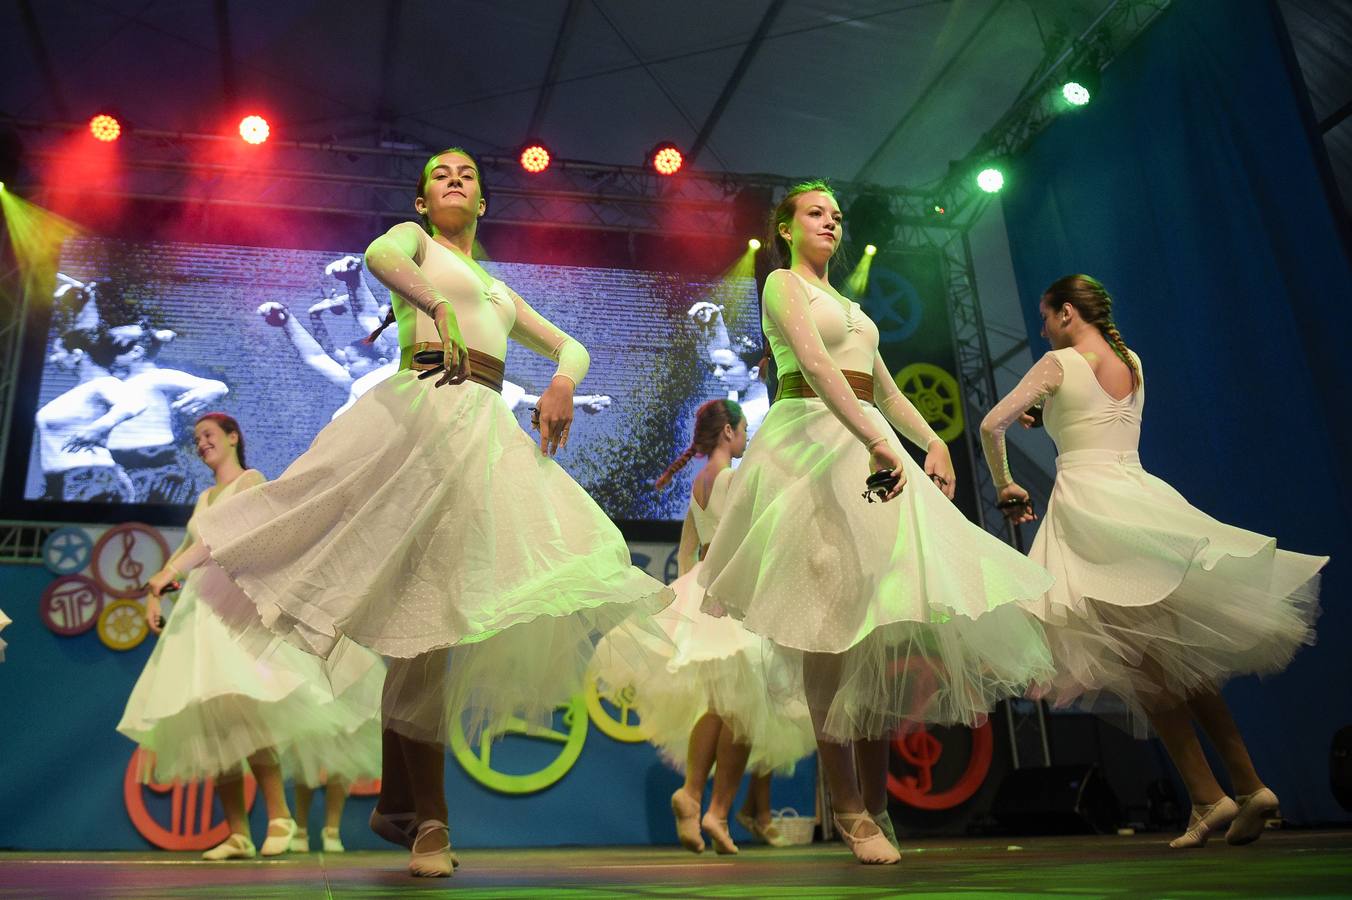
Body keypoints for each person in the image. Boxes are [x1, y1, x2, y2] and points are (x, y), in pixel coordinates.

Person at [192, 147, 670, 877]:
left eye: (468, 176)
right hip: (414, 427)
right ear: (422, 203)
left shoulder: (502, 294)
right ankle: (427, 821)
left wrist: (562, 384)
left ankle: (406, 809)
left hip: (481, 444)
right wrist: (436, 303)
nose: (454, 180)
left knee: (432, 629)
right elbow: (380, 253)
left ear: (484, 204)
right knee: (419, 627)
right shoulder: (413, 245)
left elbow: (571, 344)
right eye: (440, 175)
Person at [698, 181, 1055, 865]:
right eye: (816, 213)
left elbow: (883, 386)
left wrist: (933, 440)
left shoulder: (855, 308)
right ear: (785, 226)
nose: (831, 220)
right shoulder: (781, 287)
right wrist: (877, 440)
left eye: (837, 214)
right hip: (813, 446)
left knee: (877, 630)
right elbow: (816, 365)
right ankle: (851, 806)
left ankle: (878, 803)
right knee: (828, 627)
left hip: (871, 448)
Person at [979, 274, 1326, 849]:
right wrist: (1048, 415)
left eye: (1046, 317)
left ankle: (1207, 798)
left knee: (1144, 667)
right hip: (1140, 498)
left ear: (1067, 313)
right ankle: (1249, 785)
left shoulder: (1057, 361)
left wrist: (1008, 486)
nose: (1043, 329)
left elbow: (992, 424)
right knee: (1174, 661)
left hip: (1091, 510)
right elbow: (1099, 419)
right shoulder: (1131, 359)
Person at [118, 413, 381, 860]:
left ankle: (279, 817)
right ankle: (238, 832)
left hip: (232, 613)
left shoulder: (251, 482)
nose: (201, 444)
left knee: (243, 711)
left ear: (233, 437)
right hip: (197, 615)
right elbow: (187, 550)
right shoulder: (204, 497)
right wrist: (154, 593)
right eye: (196, 439)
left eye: (209, 435)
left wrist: (171, 571)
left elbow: (217, 543)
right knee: (211, 720)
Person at [593, 399, 814, 855]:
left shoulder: (699, 483)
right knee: (744, 708)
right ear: (729, 433)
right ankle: (717, 811)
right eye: (745, 429)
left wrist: (686, 598)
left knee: (721, 704)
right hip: (731, 593)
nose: (747, 437)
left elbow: (688, 549)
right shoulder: (733, 478)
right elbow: (750, 538)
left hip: (705, 586)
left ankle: (692, 795)